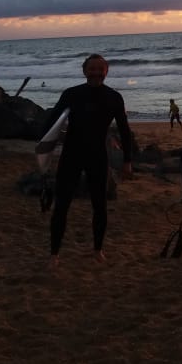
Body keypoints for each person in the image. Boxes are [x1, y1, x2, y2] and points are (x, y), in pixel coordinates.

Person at [44, 54, 133, 264]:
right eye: (91, 69)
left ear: (106, 71)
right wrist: (44, 150)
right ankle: (54, 253)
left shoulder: (114, 97)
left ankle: (97, 250)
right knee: (62, 205)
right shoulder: (71, 94)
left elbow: (124, 130)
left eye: (99, 69)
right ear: (84, 71)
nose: (95, 72)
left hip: (98, 156)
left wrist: (128, 161)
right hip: (71, 154)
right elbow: (52, 121)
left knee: (100, 206)